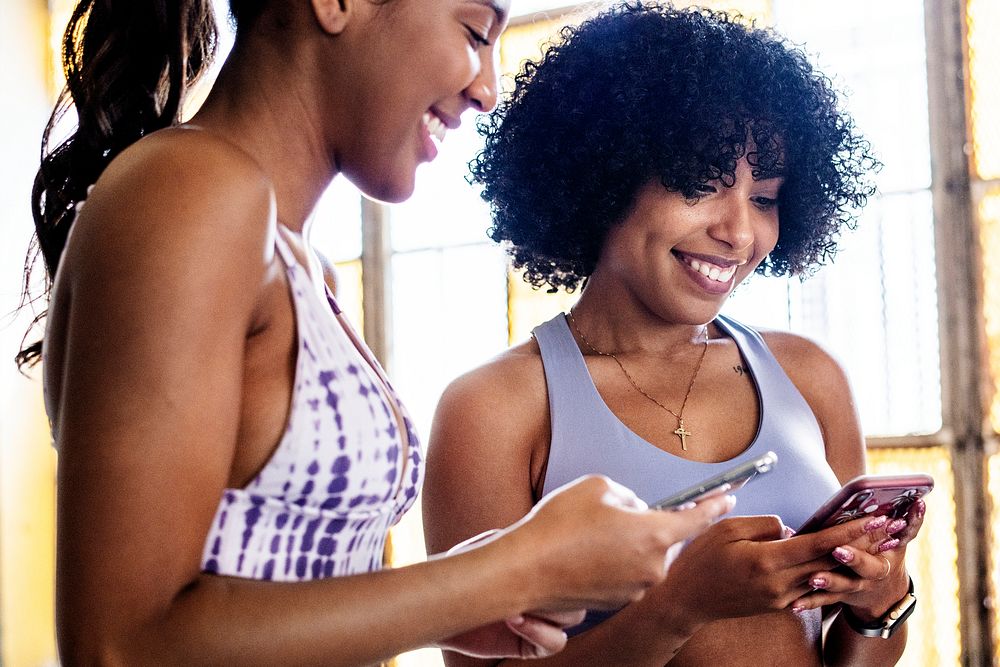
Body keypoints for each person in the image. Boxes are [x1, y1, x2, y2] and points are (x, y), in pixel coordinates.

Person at [14, 1, 751, 664]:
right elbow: (122, 644)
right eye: (473, 33)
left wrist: (458, 606)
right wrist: (519, 567)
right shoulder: (192, 194)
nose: (487, 88)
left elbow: (269, 575)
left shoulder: (304, 264)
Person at [423, 3, 926, 666]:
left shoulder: (810, 377)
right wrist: (679, 607)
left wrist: (880, 600)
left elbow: (853, 648)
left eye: (766, 197)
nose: (741, 233)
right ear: (604, 174)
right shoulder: (495, 408)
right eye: (701, 185)